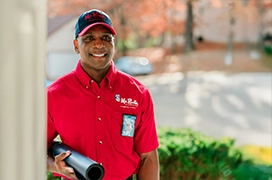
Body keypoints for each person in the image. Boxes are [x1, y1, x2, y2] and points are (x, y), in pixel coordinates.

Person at [46, 9, 160, 180]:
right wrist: (54, 165)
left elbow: (148, 157)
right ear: (76, 45)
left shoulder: (138, 93)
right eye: (89, 38)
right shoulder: (54, 95)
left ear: (114, 44)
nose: (99, 44)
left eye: (106, 37)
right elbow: (34, 149)